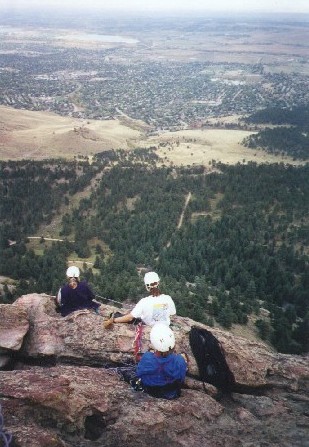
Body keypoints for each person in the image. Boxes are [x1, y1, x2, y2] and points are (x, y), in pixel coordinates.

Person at [104, 271, 176, 328]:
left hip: (150, 327)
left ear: (147, 286)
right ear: (158, 283)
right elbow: (172, 313)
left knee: (120, 315)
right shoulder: (168, 298)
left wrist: (113, 320)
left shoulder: (144, 301)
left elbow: (129, 318)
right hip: (165, 328)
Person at [135, 324, 187, 399]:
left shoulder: (147, 357)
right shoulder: (179, 361)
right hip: (170, 393)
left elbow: (139, 373)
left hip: (149, 391)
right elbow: (181, 379)